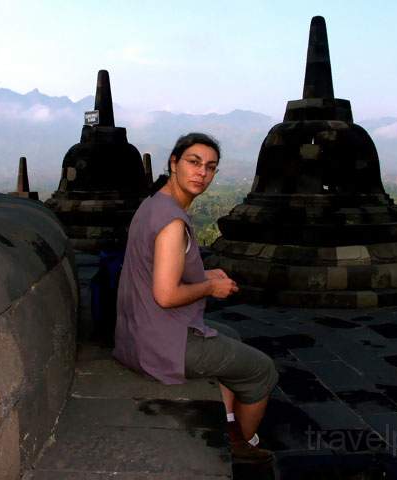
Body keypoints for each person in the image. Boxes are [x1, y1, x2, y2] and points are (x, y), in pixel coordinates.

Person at [113, 132, 278, 460]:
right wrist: (210, 287)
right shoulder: (172, 223)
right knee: (263, 370)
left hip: (135, 335)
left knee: (231, 336)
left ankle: (227, 421)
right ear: (174, 163)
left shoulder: (153, 204)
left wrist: (204, 275)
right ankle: (240, 447)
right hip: (160, 344)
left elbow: (158, 270)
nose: (202, 172)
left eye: (210, 167)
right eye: (193, 162)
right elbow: (165, 294)